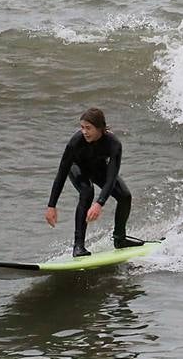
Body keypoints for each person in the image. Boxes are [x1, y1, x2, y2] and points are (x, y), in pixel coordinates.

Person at [45, 107, 144, 256]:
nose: (84, 132)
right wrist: (51, 206)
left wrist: (99, 203)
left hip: (98, 168)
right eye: (82, 127)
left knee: (125, 196)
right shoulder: (76, 142)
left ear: (100, 128)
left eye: (88, 128)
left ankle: (120, 239)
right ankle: (78, 247)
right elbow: (61, 174)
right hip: (77, 168)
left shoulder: (114, 144)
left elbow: (111, 177)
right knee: (87, 192)